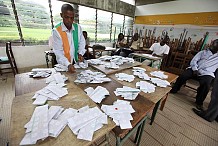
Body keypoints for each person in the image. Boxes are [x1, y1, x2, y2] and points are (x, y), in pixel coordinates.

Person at [171, 39, 218, 110]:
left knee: (206, 84)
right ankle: (174, 89)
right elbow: (194, 61)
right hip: (195, 68)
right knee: (183, 75)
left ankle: (199, 102)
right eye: (214, 43)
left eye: (215, 44)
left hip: (207, 73)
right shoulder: (203, 52)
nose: (213, 45)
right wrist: (195, 69)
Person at [52, 4, 86, 73]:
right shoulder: (57, 31)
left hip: (76, 62)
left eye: (72, 18)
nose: (69, 20)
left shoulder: (78, 27)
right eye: (66, 17)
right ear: (61, 15)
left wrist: (80, 53)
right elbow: (58, 52)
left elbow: (82, 42)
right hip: (64, 65)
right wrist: (68, 64)